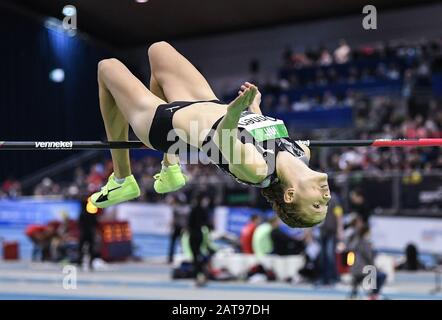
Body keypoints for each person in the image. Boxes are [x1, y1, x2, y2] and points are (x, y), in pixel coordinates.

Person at [90, 41, 331, 228]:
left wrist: (235, 110)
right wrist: (255, 105)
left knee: (107, 67)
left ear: (290, 195)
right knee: (159, 50)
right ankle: (170, 168)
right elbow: (260, 132)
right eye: (326, 203)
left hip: (163, 124)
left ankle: (122, 180)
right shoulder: (301, 152)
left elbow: (223, 135)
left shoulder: (257, 170)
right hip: (205, 103)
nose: (327, 196)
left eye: (317, 204)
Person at [348, 225, 387, 300]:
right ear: (366, 232)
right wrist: (377, 269)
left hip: (354, 270)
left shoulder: (355, 242)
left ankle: (373, 294)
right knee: (382, 275)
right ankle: (374, 294)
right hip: (363, 271)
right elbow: (369, 259)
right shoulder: (365, 243)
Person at [319, 192, 344, 285]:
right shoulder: (317, 196)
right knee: (323, 256)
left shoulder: (333, 199)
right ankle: (324, 278)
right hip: (322, 231)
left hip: (331, 232)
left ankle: (332, 277)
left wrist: (339, 229)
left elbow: (339, 215)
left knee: (330, 255)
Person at [167, 194, 189, 264]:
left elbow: (174, 219)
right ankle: (182, 257)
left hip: (179, 228)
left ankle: (172, 258)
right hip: (181, 228)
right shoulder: (186, 209)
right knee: (181, 244)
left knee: (179, 244)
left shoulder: (177, 208)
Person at [77, 199, 98, 270]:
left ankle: (80, 262)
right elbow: (96, 224)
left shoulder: (81, 214)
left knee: (81, 248)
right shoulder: (92, 214)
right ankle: (90, 263)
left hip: (83, 233)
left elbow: (79, 224)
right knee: (91, 249)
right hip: (90, 233)